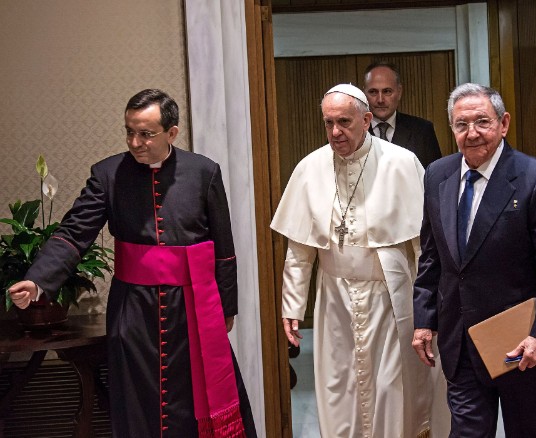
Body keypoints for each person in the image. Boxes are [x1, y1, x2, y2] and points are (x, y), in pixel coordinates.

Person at [7, 89, 255, 438]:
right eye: (129, 131)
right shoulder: (107, 174)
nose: (135, 142)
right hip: (133, 310)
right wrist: (37, 281)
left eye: (146, 134)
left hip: (193, 309)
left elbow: (224, 249)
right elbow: (73, 233)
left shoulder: (204, 172)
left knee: (194, 399)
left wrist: (226, 307)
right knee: (138, 404)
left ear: (172, 132)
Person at [412, 83, 536, 437]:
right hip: (459, 340)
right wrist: (424, 320)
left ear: (503, 124)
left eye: (482, 122)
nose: (472, 133)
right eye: (461, 124)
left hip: (520, 342)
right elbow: (432, 255)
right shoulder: (437, 175)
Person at [271, 84, 438, 437]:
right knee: (339, 385)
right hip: (334, 298)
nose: (335, 132)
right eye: (328, 123)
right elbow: (300, 251)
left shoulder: (402, 163)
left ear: (365, 120)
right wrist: (292, 307)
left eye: (344, 122)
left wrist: (430, 309)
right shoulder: (310, 168)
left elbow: (425, 248)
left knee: (391, 386)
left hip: (390, 297)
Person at [364, 61, 442, 168]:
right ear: (364, 94)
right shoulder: (356, 132)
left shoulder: (422, 130)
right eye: (373, 92)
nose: (380, 100)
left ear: (399, 92)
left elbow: (434, 176)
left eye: (387, 91)